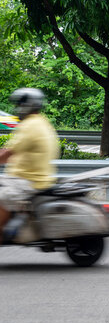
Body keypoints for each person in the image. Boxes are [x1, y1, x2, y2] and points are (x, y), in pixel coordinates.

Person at [0, 88, 59, 243]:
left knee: (1, 198)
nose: (17, 108)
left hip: (27, 180)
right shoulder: (42, 122)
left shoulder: (30, 126)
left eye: (19, 104)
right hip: (31, 177)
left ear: (27, 105)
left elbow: (7, 154)